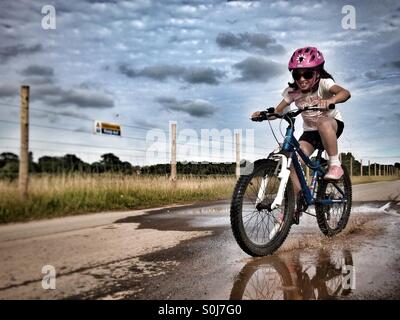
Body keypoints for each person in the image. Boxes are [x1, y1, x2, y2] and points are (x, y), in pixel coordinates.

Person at [251, 46, 351, 216]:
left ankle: (334, 165)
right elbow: (279, 110)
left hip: (331, 126)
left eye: (307, 74)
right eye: (297, 75)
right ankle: (295, 204)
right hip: (310, 133)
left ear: (317, 73)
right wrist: (266, 114)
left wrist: (331, 100)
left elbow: (345, 93)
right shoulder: (293, 92)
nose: (301, 79)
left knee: (323, 122)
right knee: (293, 163)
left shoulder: (324, 84)